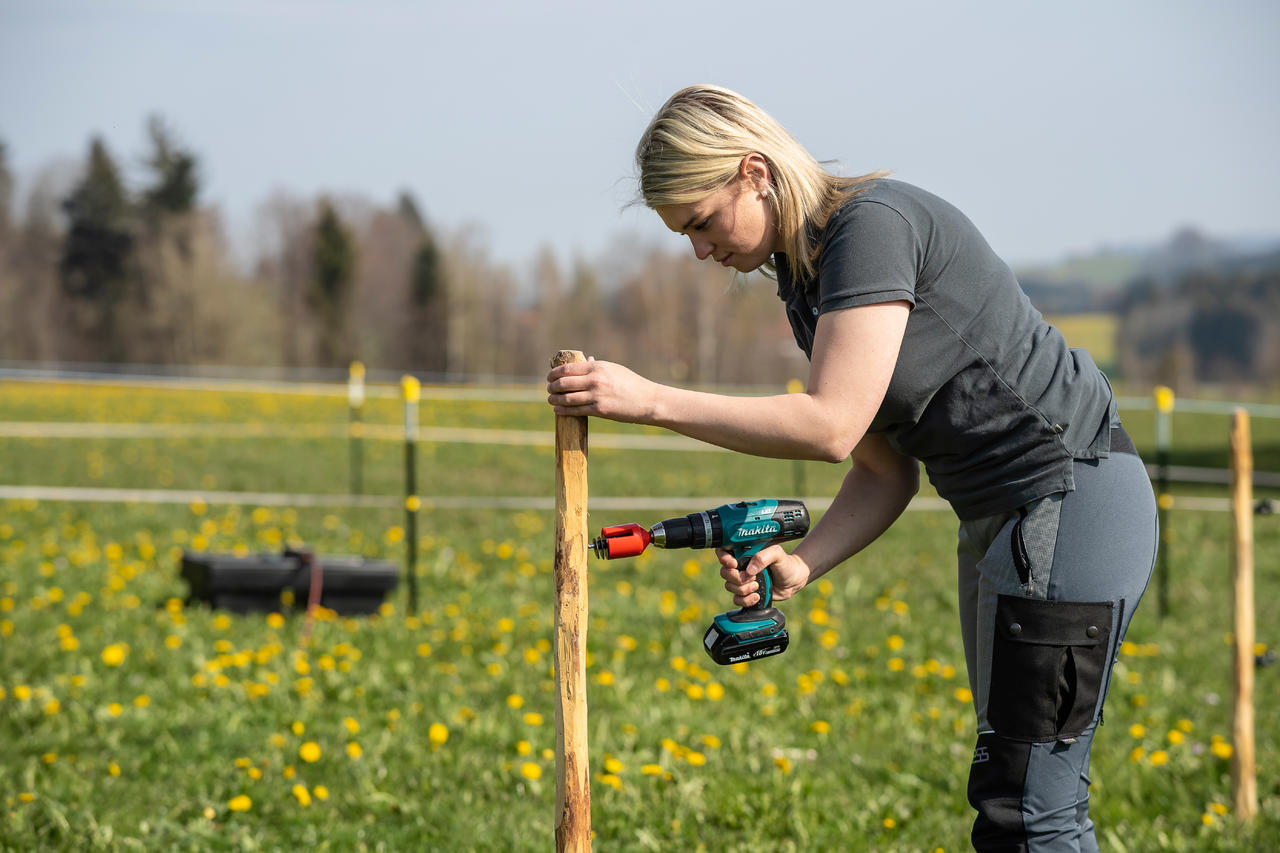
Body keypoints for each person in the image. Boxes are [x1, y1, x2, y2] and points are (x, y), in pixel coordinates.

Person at [545, 84, 1157, 852]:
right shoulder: (808, 284)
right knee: (1022, 791)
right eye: (683, 235)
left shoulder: (870, 229)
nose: (700, 250)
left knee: (1029, 807)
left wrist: (650, 399)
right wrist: (804, 563)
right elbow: (882, 467)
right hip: (1002, 519)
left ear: (754, 172)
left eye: (701, 222)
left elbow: (831, 425)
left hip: (1067, 496)